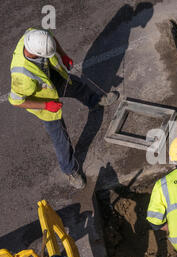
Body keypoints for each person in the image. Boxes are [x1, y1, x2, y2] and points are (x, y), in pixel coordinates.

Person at [8, 27, 119, 189]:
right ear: (36, 54)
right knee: (61, 139)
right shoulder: (21, 75)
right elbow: (17, 101)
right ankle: (70, 171)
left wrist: (63, 55)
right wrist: (46, 105)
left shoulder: (35, 35)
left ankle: (95, 100)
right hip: (43, 100)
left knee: (77, 86)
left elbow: (50, 39)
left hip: (50, 77)